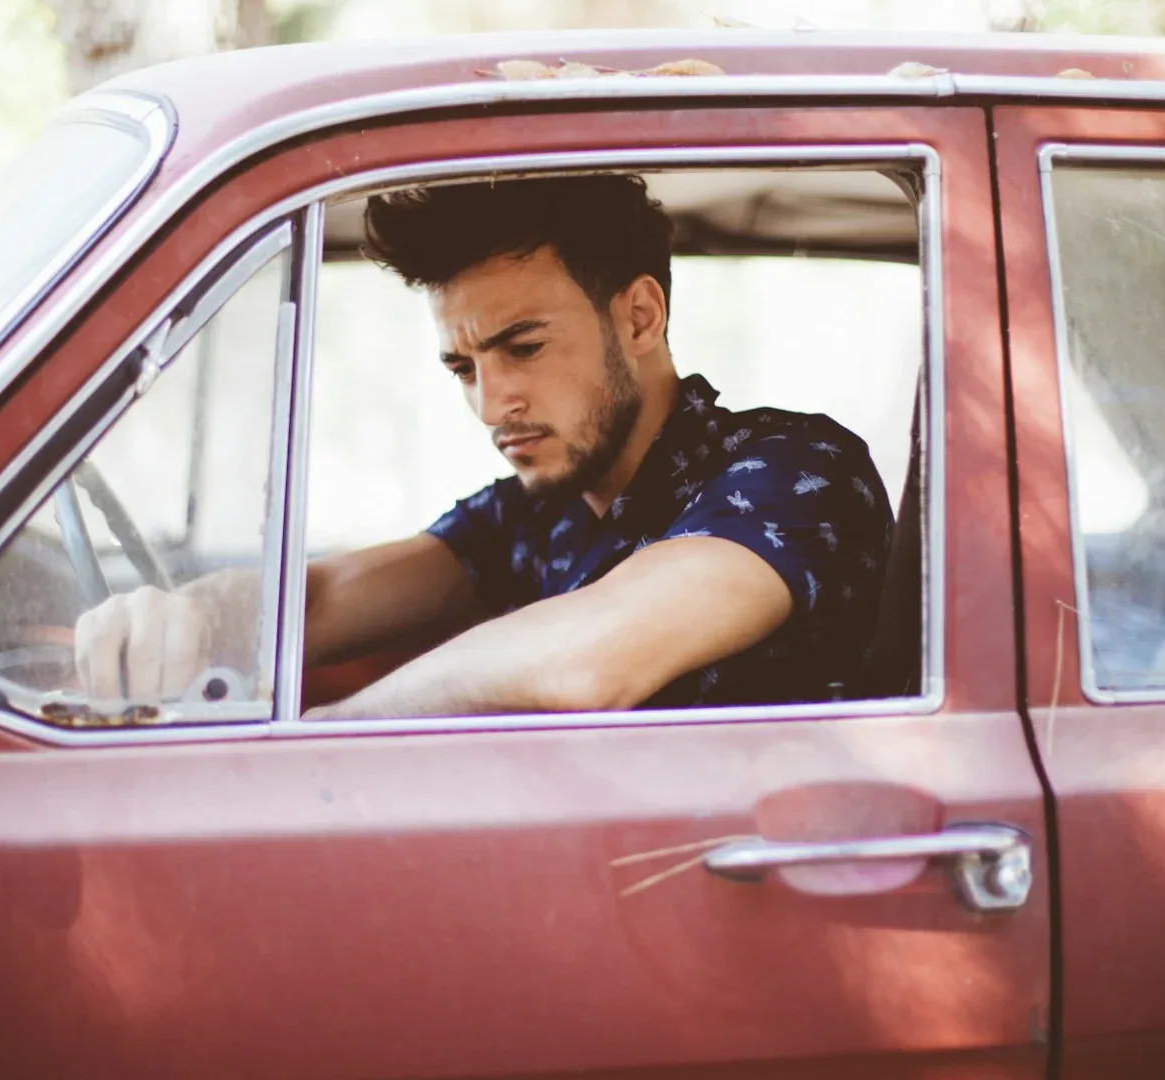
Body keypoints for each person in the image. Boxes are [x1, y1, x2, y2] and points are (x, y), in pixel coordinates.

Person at [74, 174, 893, 718]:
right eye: (462, 365)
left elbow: (590, 655)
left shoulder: (795, 472)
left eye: (524, 347)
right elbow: (323, 600)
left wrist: (322, 735)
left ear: (638, 318)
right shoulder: (536, 509)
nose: (488, 401)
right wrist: (185, 619)